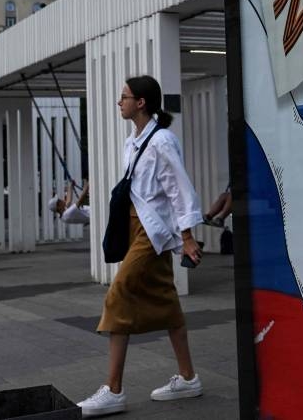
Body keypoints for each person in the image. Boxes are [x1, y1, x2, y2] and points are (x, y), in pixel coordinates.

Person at [77, 75, 204, 418]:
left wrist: (187, 235)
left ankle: (114, 390)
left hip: (153, 232)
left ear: (142, 102)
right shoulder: (132, 141)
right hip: (138, 228)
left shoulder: (162, 141)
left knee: (118, 294)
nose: (120, 102)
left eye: (124, 97)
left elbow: (180, 188)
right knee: (165, 299)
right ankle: (189, 378)